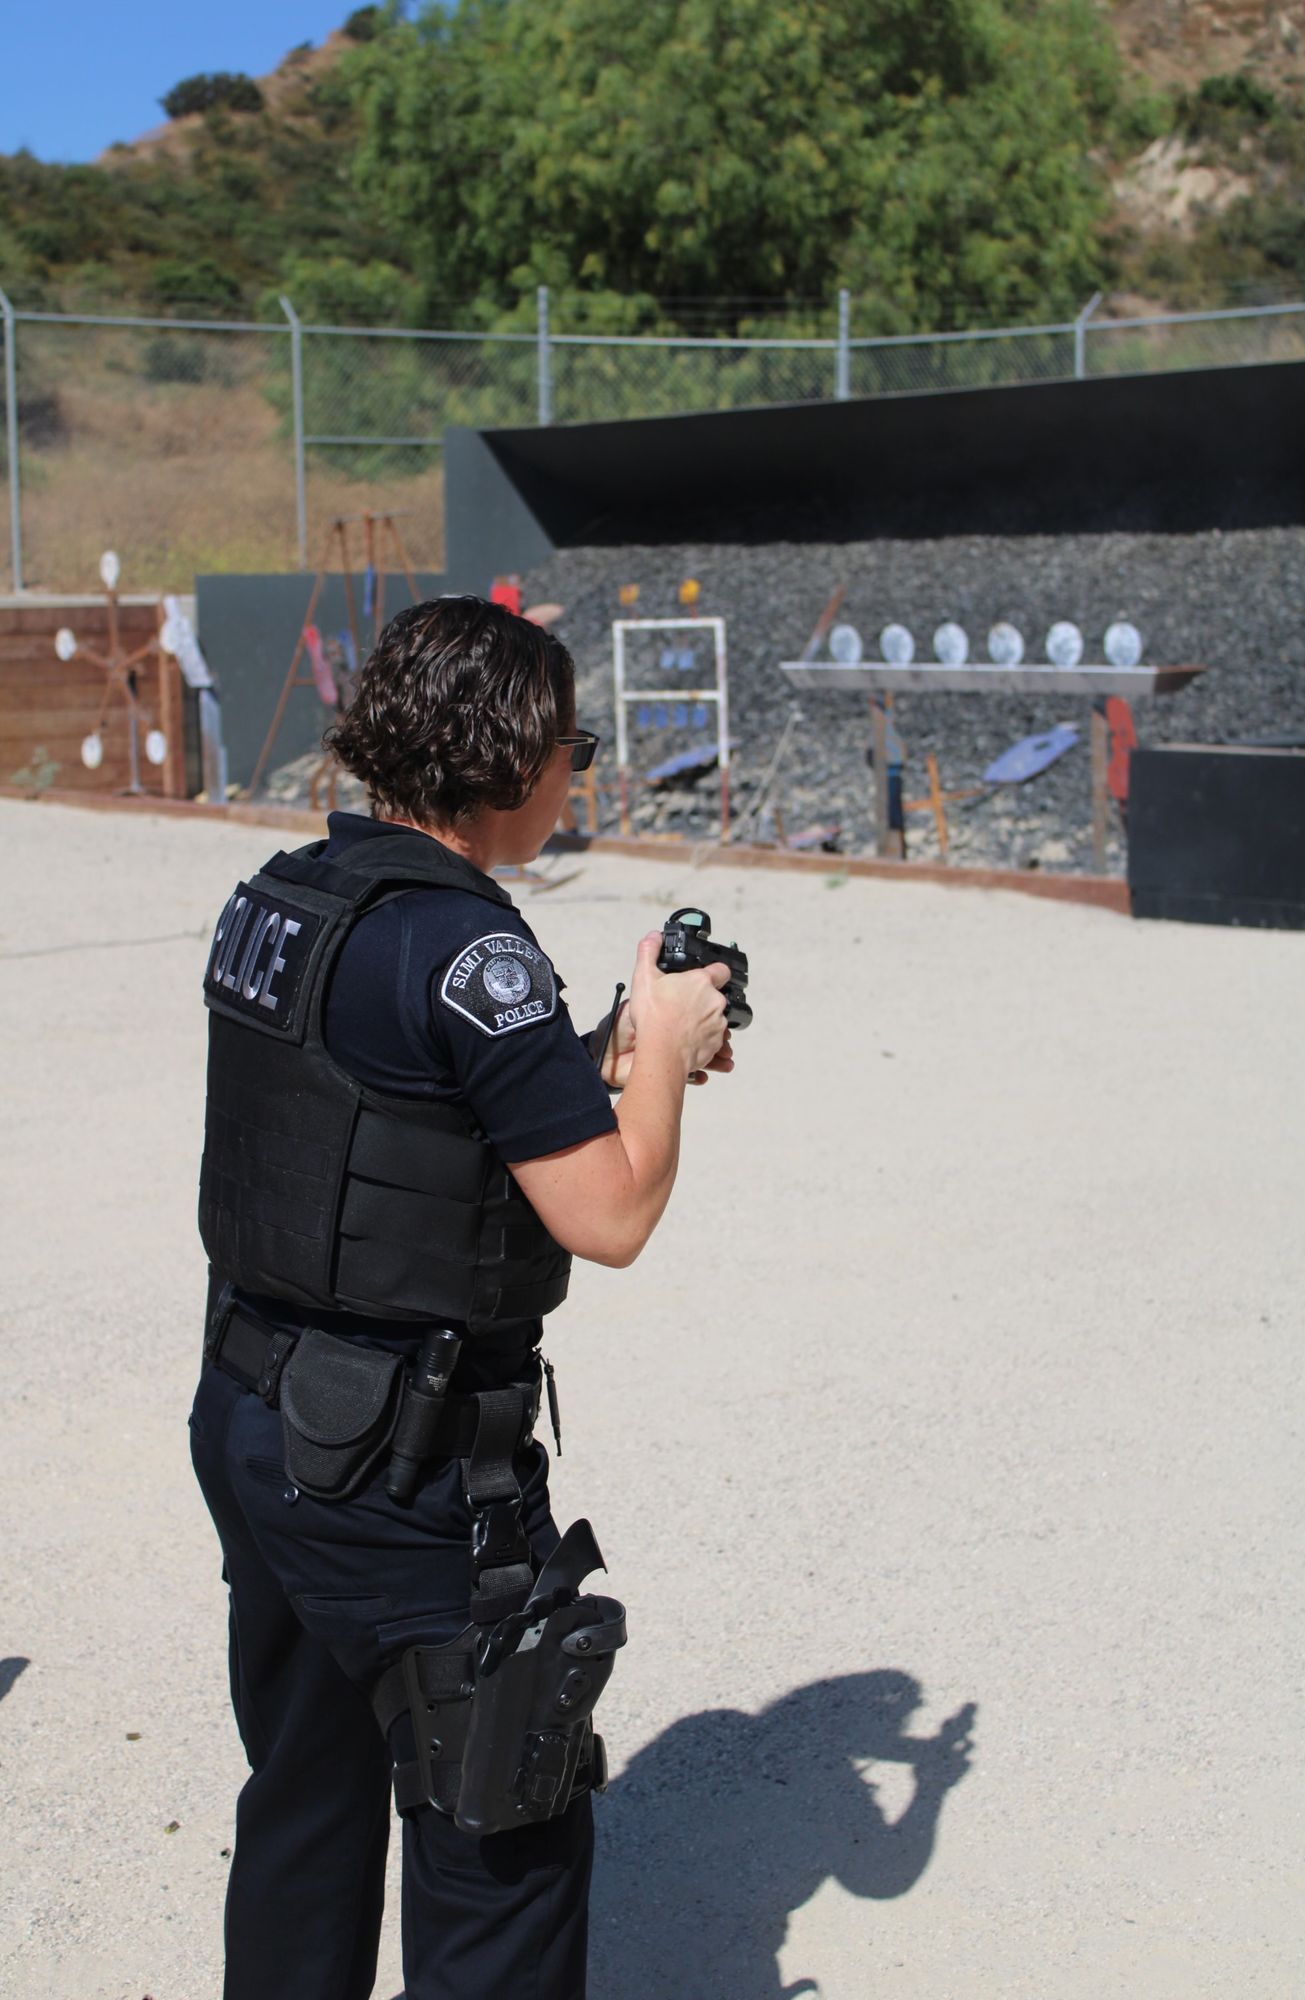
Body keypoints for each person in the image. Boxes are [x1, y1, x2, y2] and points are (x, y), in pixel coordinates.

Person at [189, 595, 733, 2000]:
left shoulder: (287, 897)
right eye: (576, 745)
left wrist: (597, 1050)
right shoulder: (471, 951)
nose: (579, 774)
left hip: (258, 1411)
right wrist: (663, 1048)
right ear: (510, 760)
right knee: (502, 1823)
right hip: (400, 1463)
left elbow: (387, 1106)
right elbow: (607, 1214)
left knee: (305, 1792)